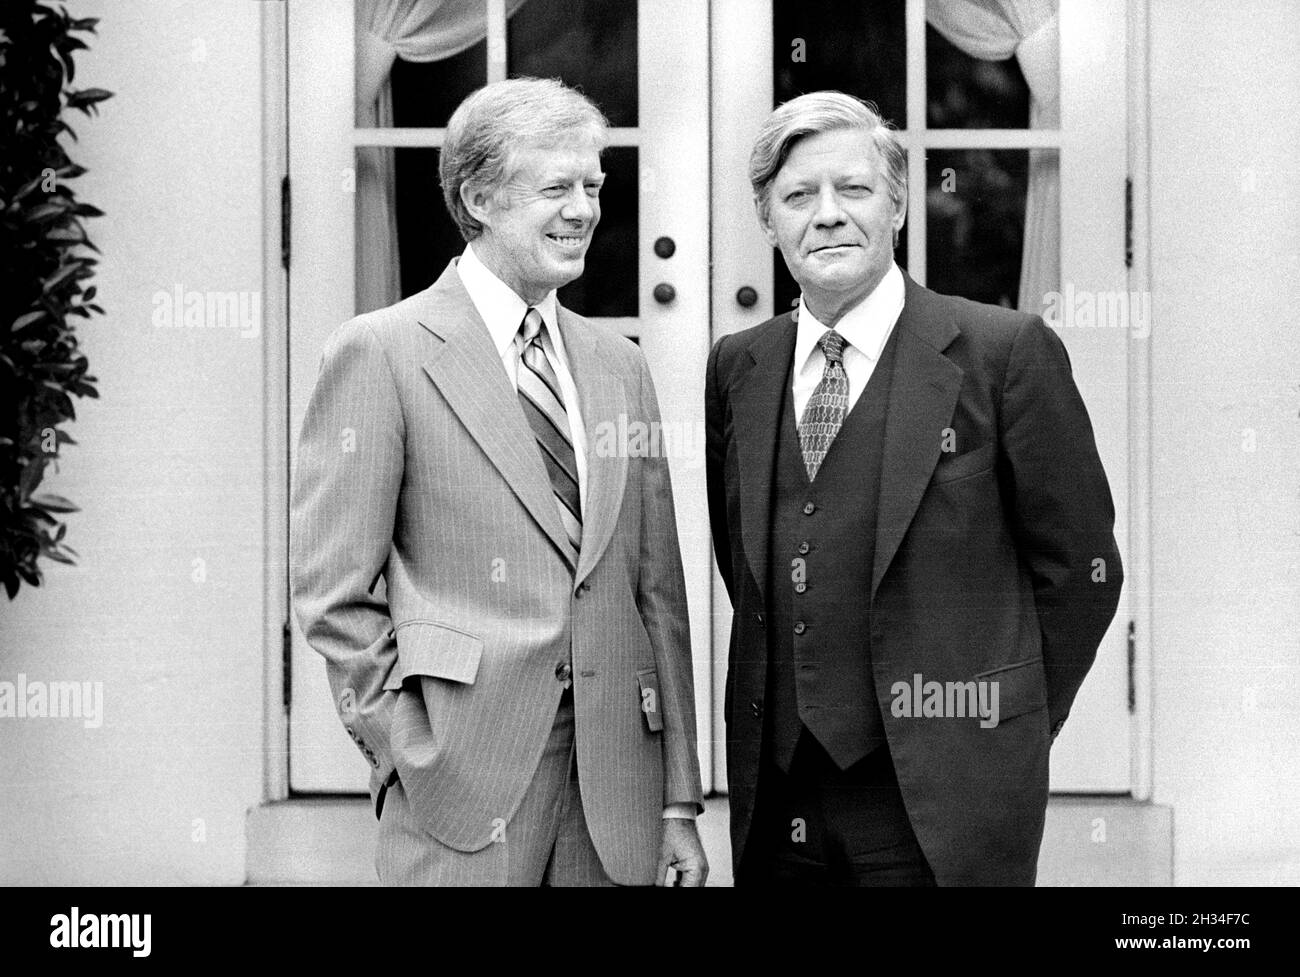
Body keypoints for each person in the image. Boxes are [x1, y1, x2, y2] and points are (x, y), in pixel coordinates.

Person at [292, 77, 706, 886]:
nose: (584, 208)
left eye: (593, 185)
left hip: (616, 796)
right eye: (557, 187)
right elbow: (332, 594)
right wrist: (407, 750)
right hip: (457, 787)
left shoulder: (620, 365)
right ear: (479, 198)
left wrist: (678, 801)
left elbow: (657, 589)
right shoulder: (381, 352)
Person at [705, 91, 1122, 885]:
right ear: (767, 219)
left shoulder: (1003, 353)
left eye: (853, 190)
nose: (827, 215)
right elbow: (746, 565)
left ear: (897, 203)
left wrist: (1009, 723)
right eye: (798, 196)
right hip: (781, 799)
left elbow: (1081, 573)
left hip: (943, 804)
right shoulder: (739, 365)